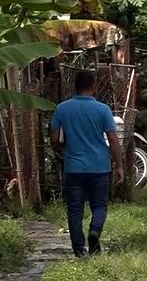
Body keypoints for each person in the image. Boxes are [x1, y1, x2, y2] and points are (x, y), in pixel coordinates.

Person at [51, 69, 124, 257]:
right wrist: (120, 165)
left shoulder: (62, 108)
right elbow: (113, 139)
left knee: (75, 210)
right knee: (99, 205)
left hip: (73, 167)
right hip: (99, 166)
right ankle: (94, 232)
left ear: (75, 86)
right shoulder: (103, 109)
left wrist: (61, 152)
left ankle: (78, 249)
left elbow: (54, 138)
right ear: (93, 86)